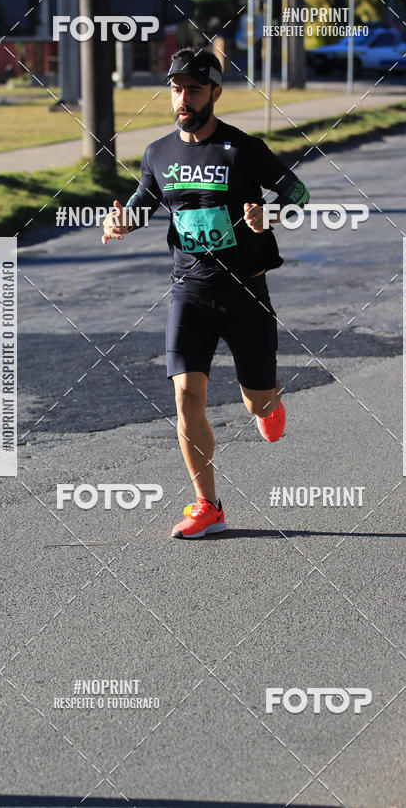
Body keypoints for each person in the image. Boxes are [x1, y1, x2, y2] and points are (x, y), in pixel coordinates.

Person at [102, 46, 309, 537]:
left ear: (215, 93)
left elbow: (297, 193)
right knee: (186, 395)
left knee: (256, 402)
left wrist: (270, 214)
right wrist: (120, 222)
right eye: (176, 89)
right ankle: (207, 505)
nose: (183, 98)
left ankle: (269, 404)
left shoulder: (243, 148)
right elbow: (141, 203)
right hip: (190, 292)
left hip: (246, 293)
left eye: (193, 89)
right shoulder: (158, 153)